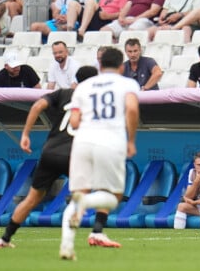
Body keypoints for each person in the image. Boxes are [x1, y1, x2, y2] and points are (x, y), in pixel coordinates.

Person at [0, 66, 109, 250]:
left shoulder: (63, 93)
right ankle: (97, 232)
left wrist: (25, 134)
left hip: (49, 153)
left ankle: (4, 239)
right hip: (75, 155)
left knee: (32, 198)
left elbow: (37, 105)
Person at [59, 48, 140, 260]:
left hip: (82, 141)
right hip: (110, 141)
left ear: (100, 65)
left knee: (80, 193)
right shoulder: (127, 84)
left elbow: (74, 121)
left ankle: (68, 246)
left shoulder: (83, 87)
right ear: (121, 67)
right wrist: (131, 140)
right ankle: (89, 208)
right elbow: (131, 109)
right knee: (113, 196)